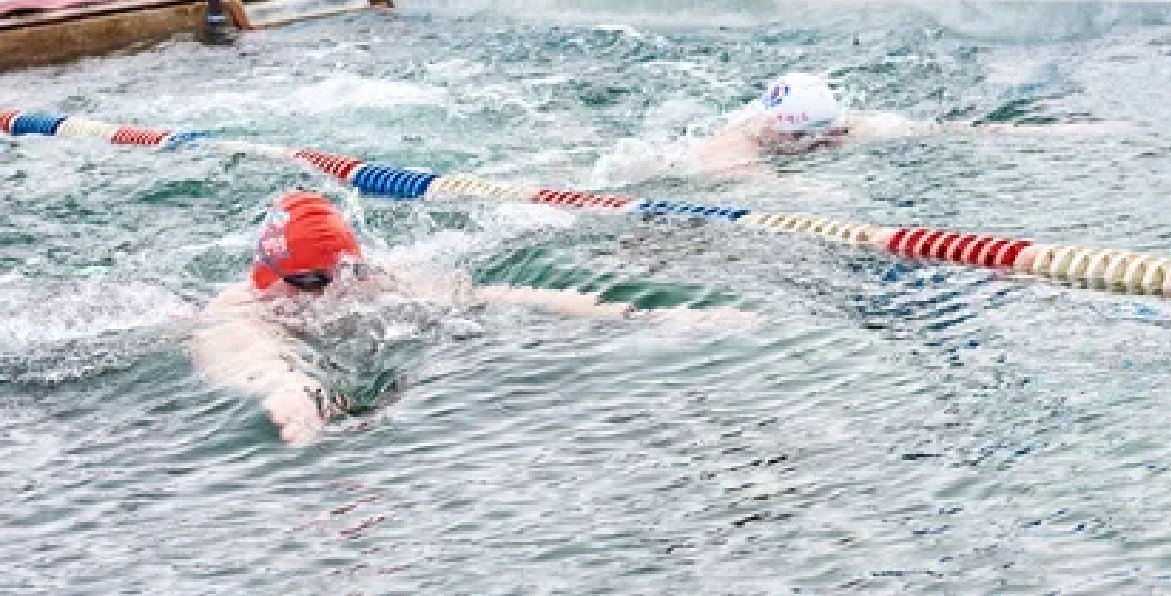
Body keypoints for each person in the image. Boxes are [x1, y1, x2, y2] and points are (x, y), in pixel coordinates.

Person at [189, 191, 757, 446]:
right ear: (273, 276)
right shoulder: (241, 310)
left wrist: (638, 314)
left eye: (344, 275)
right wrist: (286, 395)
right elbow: (244, 355)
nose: (334, 293)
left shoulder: (373, 283)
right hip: (284, 360)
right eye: (314, 283)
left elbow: (497, 295)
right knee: (277, 373)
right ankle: (302, 404)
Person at [693, 72, 1124, 177]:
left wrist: (1053, 134)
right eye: (802, 138)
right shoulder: (736, 138)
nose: (817, 146)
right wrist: (806, 190)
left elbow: (942, 131)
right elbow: (735, 173)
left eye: (825, 136)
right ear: (774, 130)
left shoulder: (844, 129)